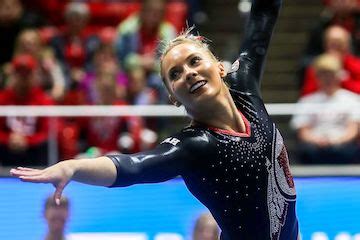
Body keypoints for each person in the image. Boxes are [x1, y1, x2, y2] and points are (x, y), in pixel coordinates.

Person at [10, 0, 299, 239]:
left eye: (195, 61)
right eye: (175, 74)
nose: (188, 73)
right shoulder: (193, 146)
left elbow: (263, 16)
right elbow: (131, 167)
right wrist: (74, 167)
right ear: (173, 97)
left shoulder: (244, 86)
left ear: (218, 66)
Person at [291, 53, 359, 164]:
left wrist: (336, 140)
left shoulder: (353, 99)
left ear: (339, 75)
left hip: (343, 147)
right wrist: (317, 140)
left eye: (330, 74)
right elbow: (303, 131)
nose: (327, 79)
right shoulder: (306, 101)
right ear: (317, 77)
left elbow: (353, 130)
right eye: (323, 75)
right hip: (315, 148)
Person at [0, 54, 54, 166]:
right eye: (19, 73)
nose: (23, 78)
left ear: (34, 75)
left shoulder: (43, 100)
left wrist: (28, 140)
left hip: (35, 152)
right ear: (13, 75)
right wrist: (8, 139)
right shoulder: (2, 99)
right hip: (6, 150)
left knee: (46, 144)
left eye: (27, 73)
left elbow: (48, 131)